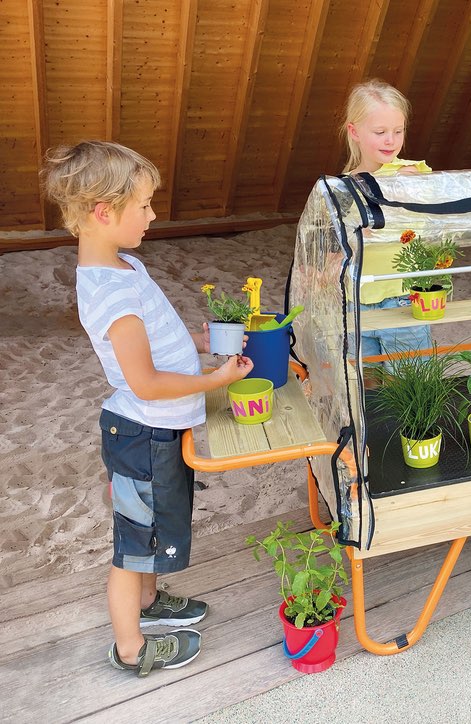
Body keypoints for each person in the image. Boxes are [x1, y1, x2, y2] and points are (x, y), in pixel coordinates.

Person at [41, 141, 253, 677]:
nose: (153, 214)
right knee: (132, 547)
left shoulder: (125, 266)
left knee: (156, 529)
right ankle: (131, 648)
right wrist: (213, 381)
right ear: (103, 212)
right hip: (141, 436)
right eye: (144, 205)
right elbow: (146, 381)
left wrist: (204, 348)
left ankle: (149, 604)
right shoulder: (109, 293)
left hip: (156, 431)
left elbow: (159, 345)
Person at [341, 78, 433, 372]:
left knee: (411, 383)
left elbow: (427, 214)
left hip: (403, 299)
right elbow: (338, 241)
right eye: (380, 132)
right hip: (357, 302)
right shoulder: (345, 185)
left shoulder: (412, 172)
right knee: (366, 385)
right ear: (354, 132)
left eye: (398, 131)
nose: (390, 140)